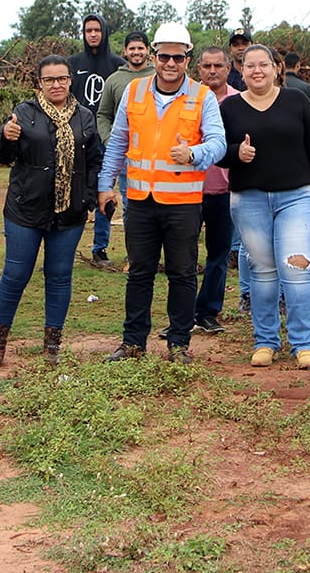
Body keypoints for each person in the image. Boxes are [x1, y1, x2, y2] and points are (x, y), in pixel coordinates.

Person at [99, 22, 226, 364]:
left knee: (182, 273)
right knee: (139, 272)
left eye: (178, 57)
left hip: (183, 203)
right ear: (154, 57)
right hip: (140, 201)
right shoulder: (135, 92)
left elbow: (218, 143)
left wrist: (194, 154)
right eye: (164, 56)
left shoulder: (202, 96)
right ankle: (133, 343)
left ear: (188, 59)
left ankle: (179, 344)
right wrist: (104, 186)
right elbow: (118, 144)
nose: (171, 63)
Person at [221, 45, 310, 369]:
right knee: (262, 273)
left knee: (297, 269)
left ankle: (304, 344)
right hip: (249, 200)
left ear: (276, 69)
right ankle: (265, 341)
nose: (257, 71)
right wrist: (236, 154)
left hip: (296, 198)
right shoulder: (229, 107)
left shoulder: (296, 101)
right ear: (241, 70)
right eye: (250, 66)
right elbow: (218, 151)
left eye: (264, 65)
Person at [0, 56, 103, 368]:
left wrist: (88, 198)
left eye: (62, 78)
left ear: (70, 80)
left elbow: (95, 161)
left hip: (69, 213)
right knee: (15, 274)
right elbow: (2, 155)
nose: (56, 85)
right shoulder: (23, 113)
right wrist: (4, 138)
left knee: (60, 276)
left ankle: (52, 345)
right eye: (49, 79)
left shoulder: (84, 117)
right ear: (38, 83)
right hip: (25, 209)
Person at [92, 31, 153, 271]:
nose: (136, 52)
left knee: (144, 206)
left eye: (141, 48)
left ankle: (141, 254)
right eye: (132, 49)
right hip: (123, 154)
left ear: (148, 51)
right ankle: (117, 252)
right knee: (120, 203)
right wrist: (110, 141)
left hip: (151, 156)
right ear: (125, 52)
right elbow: (103, 115)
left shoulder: (158, 77)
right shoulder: (115, 80)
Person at [69, 14, 124, 270]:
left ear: (104, 32)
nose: (93, 34)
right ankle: (65, 246)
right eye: (88, 30)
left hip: (106, 140)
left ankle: (99, 248)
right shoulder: (72, 64)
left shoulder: (118, 65)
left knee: (106, 193)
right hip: (76, 138)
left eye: (97, 30)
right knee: (73, 194)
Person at [191, 47, 239, 334]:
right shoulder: (188, 100)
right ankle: (182, 314)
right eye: (207, 65)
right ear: (198, 68)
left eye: (218, 65)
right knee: (183, 257)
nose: (212, 71)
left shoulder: (239, 102)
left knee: (218, 255)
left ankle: (208, 312)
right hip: (189, 190)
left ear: (229, 67)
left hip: (226, 191)